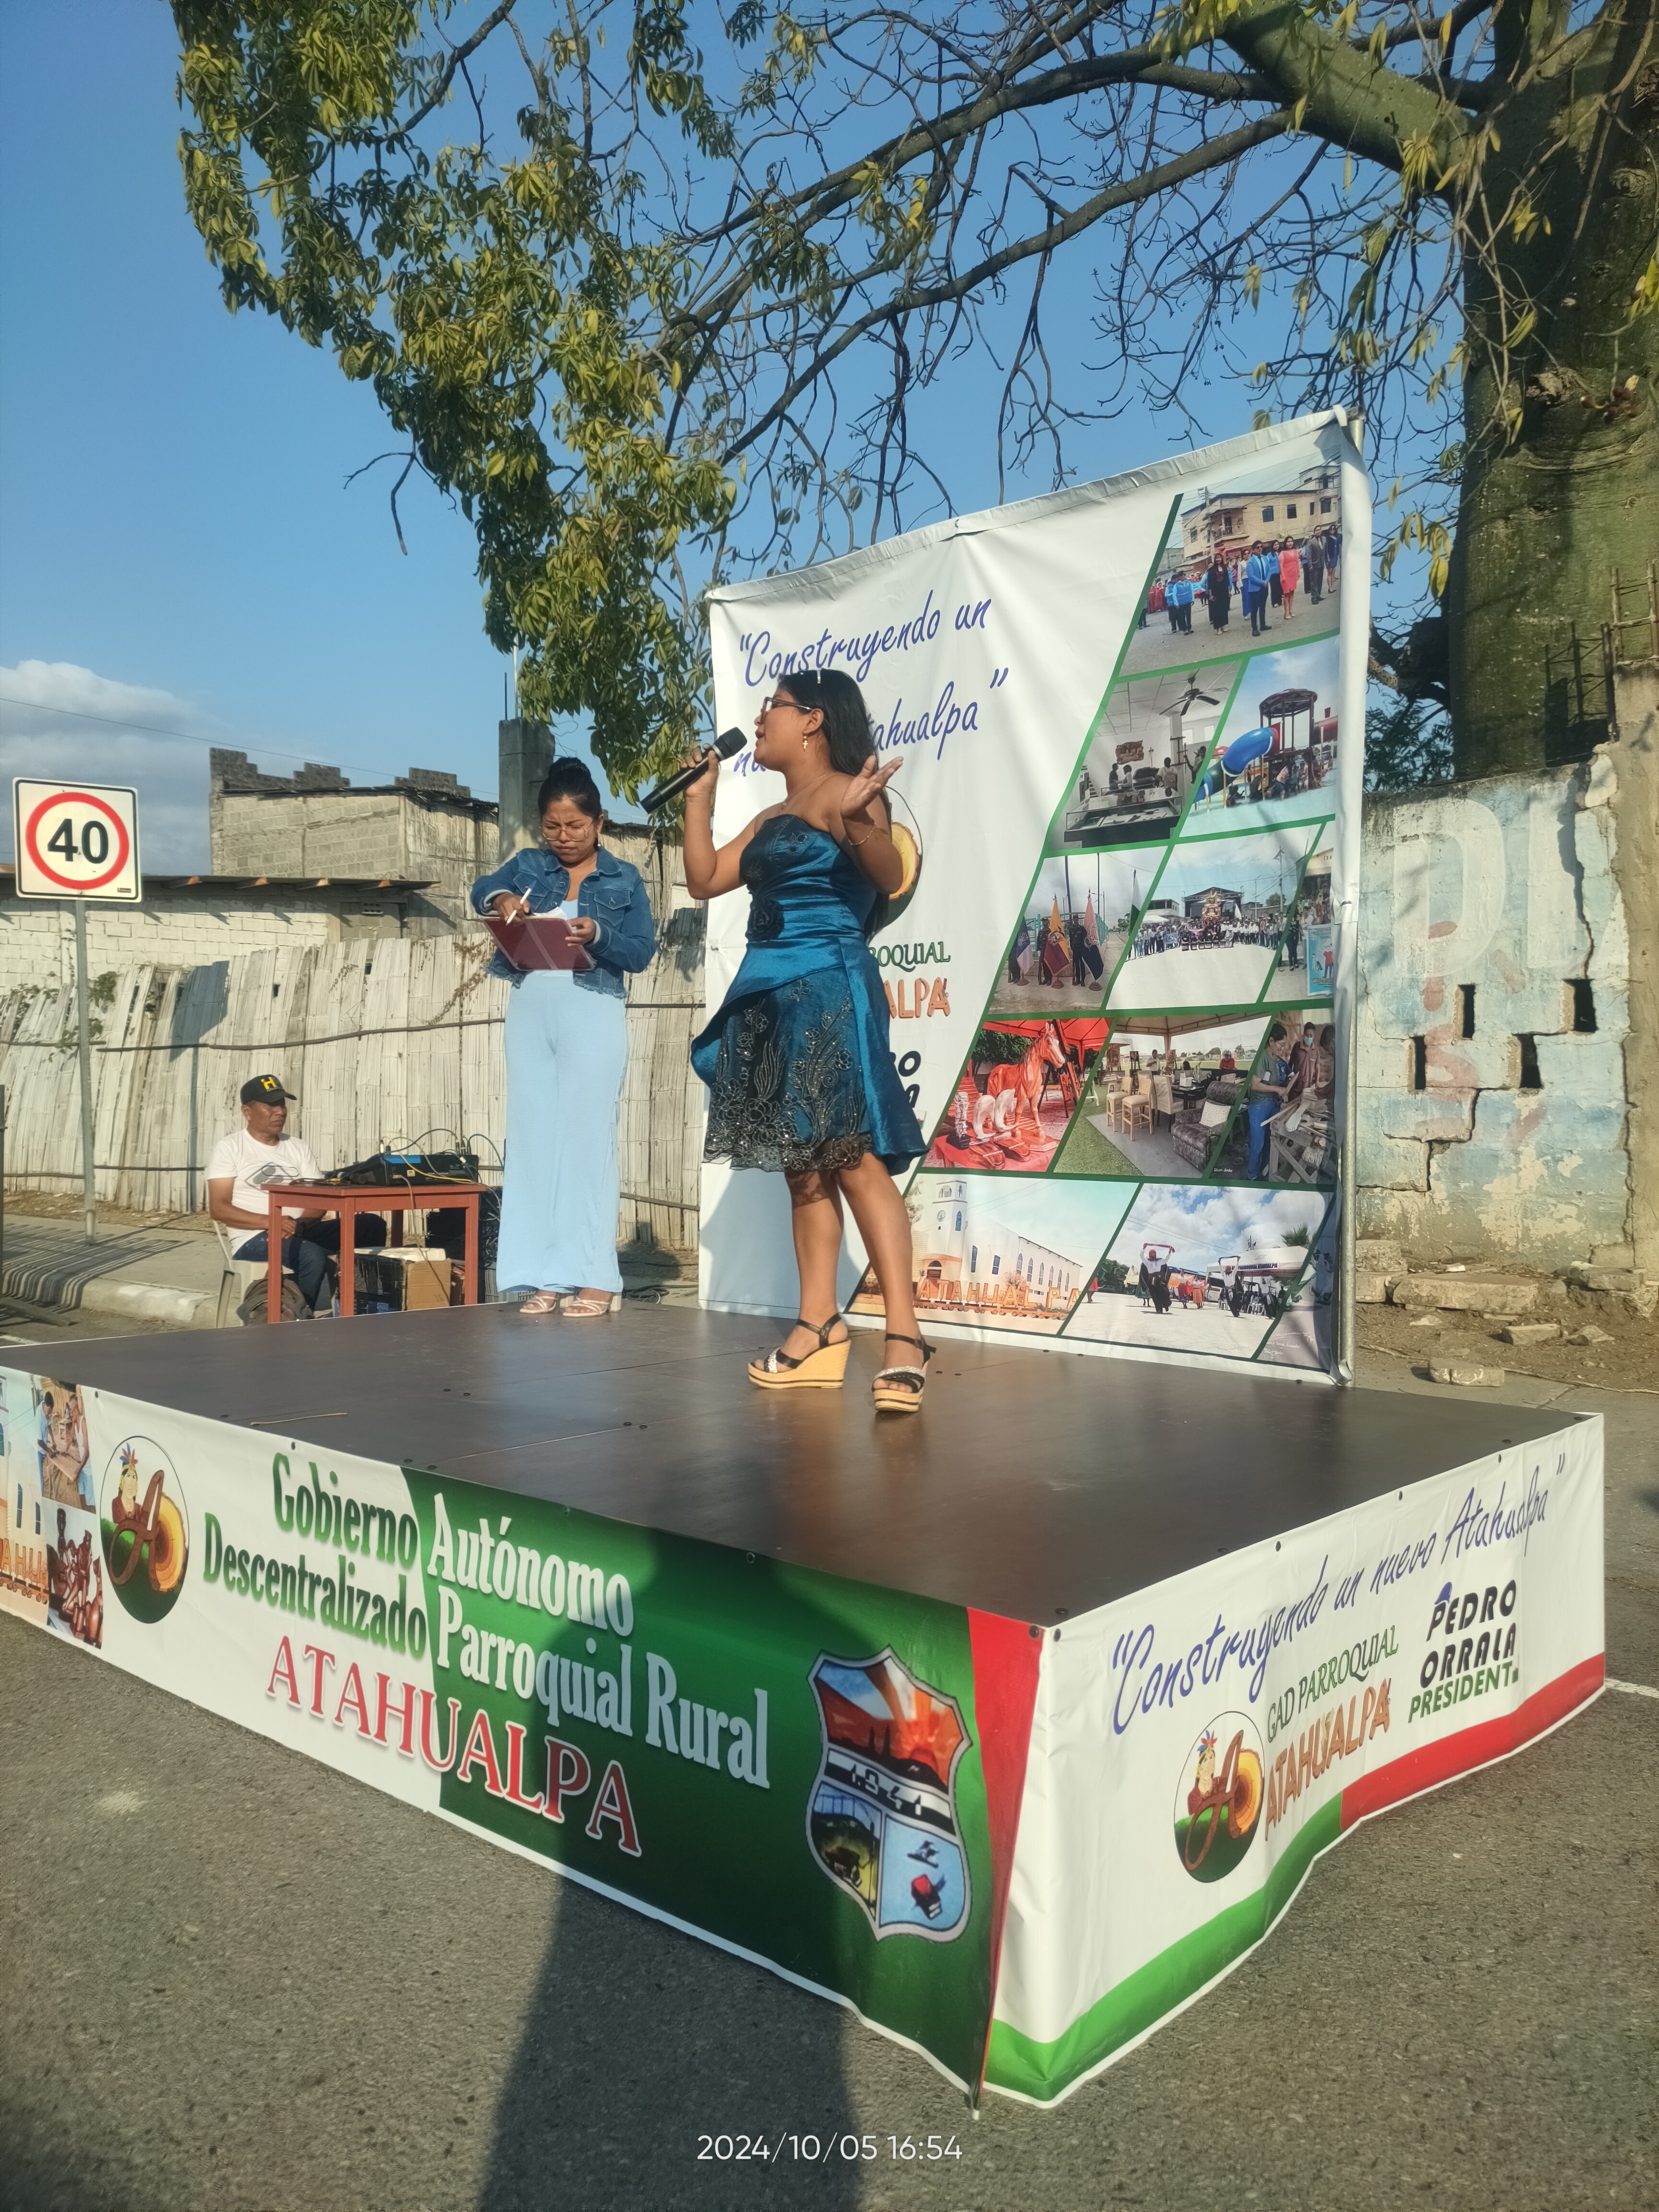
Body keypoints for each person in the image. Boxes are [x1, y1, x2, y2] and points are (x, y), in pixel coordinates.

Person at [685, 670, 929, 1412]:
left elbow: (888, 874)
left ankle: (904, 1335)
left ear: (814, 720)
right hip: (771, 996)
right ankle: (819, 1325)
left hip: (828, 986)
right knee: (803, 1166)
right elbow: (706, 878)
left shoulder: (847, 793)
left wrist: (859, 823)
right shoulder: (771, 816)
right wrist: (699, 797)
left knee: (850, 1158)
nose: (760, 720)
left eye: (774, 708)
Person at [471, 759, 656, 1317]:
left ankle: (595, 1278)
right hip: (531, 1008)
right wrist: (501, 900)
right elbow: (483, 888)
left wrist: (599, 933)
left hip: (592, 1008)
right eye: (552, 826)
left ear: (600, 822)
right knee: (533, 1143)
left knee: (587, 1143)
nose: (564, 836)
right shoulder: (530, 865)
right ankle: (545, 1275)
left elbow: (641, 952)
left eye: (575, 825)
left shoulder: (624, 878)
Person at [208, 1075, 386, 1316]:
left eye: (282, 1104)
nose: (280, 1111)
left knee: (371, 1225)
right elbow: (219, 1208)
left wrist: (298, 1225)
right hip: (253, 1237)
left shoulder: (298, 1147)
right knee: (311, 1256)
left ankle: (363, 1306)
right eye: (270, 1105)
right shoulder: (230, 1147)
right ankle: (297, 1320)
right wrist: (273, 1222)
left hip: (299, 1229)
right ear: (247, 1112)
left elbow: (319, 1199)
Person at [1244, 1022, 1293, 1178]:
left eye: (1284, 1045)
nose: (1283, 1048)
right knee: (1258, 1145)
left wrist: (1283, 1091)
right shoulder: (1262, 1057)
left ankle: (1265, 1169)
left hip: (1273, 1104)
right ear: (1271, 1041)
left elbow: (1282, 1078)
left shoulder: (1277, 1059)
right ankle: (1252, 1177)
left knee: (1269, 1141)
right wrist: (1277, 1089)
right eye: (1281, 1044)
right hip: (1259, 1106)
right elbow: (1254, 1085)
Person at [1205, 553, 1232, 632]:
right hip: (1215, 592)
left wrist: (1229, 591)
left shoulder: (1224, 568)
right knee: (1217, 610)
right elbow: (1210, 583)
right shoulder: (1212, 570)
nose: (1218, 559)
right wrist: (1210, 595)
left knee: (1224, 609)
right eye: (1217, 558)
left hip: (1224, 591)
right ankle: (1218, 628)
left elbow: (1227, 580)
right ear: (1215, 559)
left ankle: (1223, 626)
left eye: (1220, 558)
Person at [1278, 537, 1301, 619]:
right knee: (1286, 594)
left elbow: (1297, 562)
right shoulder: (1282, 553)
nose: (1290, 543)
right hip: (1286, 575)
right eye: (1288, 542)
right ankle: (1286, 613)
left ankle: (1291, 611)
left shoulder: (1295, 551)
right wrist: (1283, 576)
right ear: (1285, 543)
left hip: (1293, 574)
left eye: (1291, 541)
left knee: (1292, 593)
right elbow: (1281, 566)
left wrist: (1298, 572)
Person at [1305, 530, 1326, 606]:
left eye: (1320, 530)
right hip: (1314, 565)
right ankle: (1313, 598)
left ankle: (1318, 595)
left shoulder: (1324, 539)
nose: (1319, 531)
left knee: (1319, 581)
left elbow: (1325, 551)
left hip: (1321, 563)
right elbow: (1309, 555)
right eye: (1317, 530)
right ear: (1314, 533)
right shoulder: (1311, 542)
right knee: (1314, 582)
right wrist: (1310, 565)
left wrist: (1327, 560)